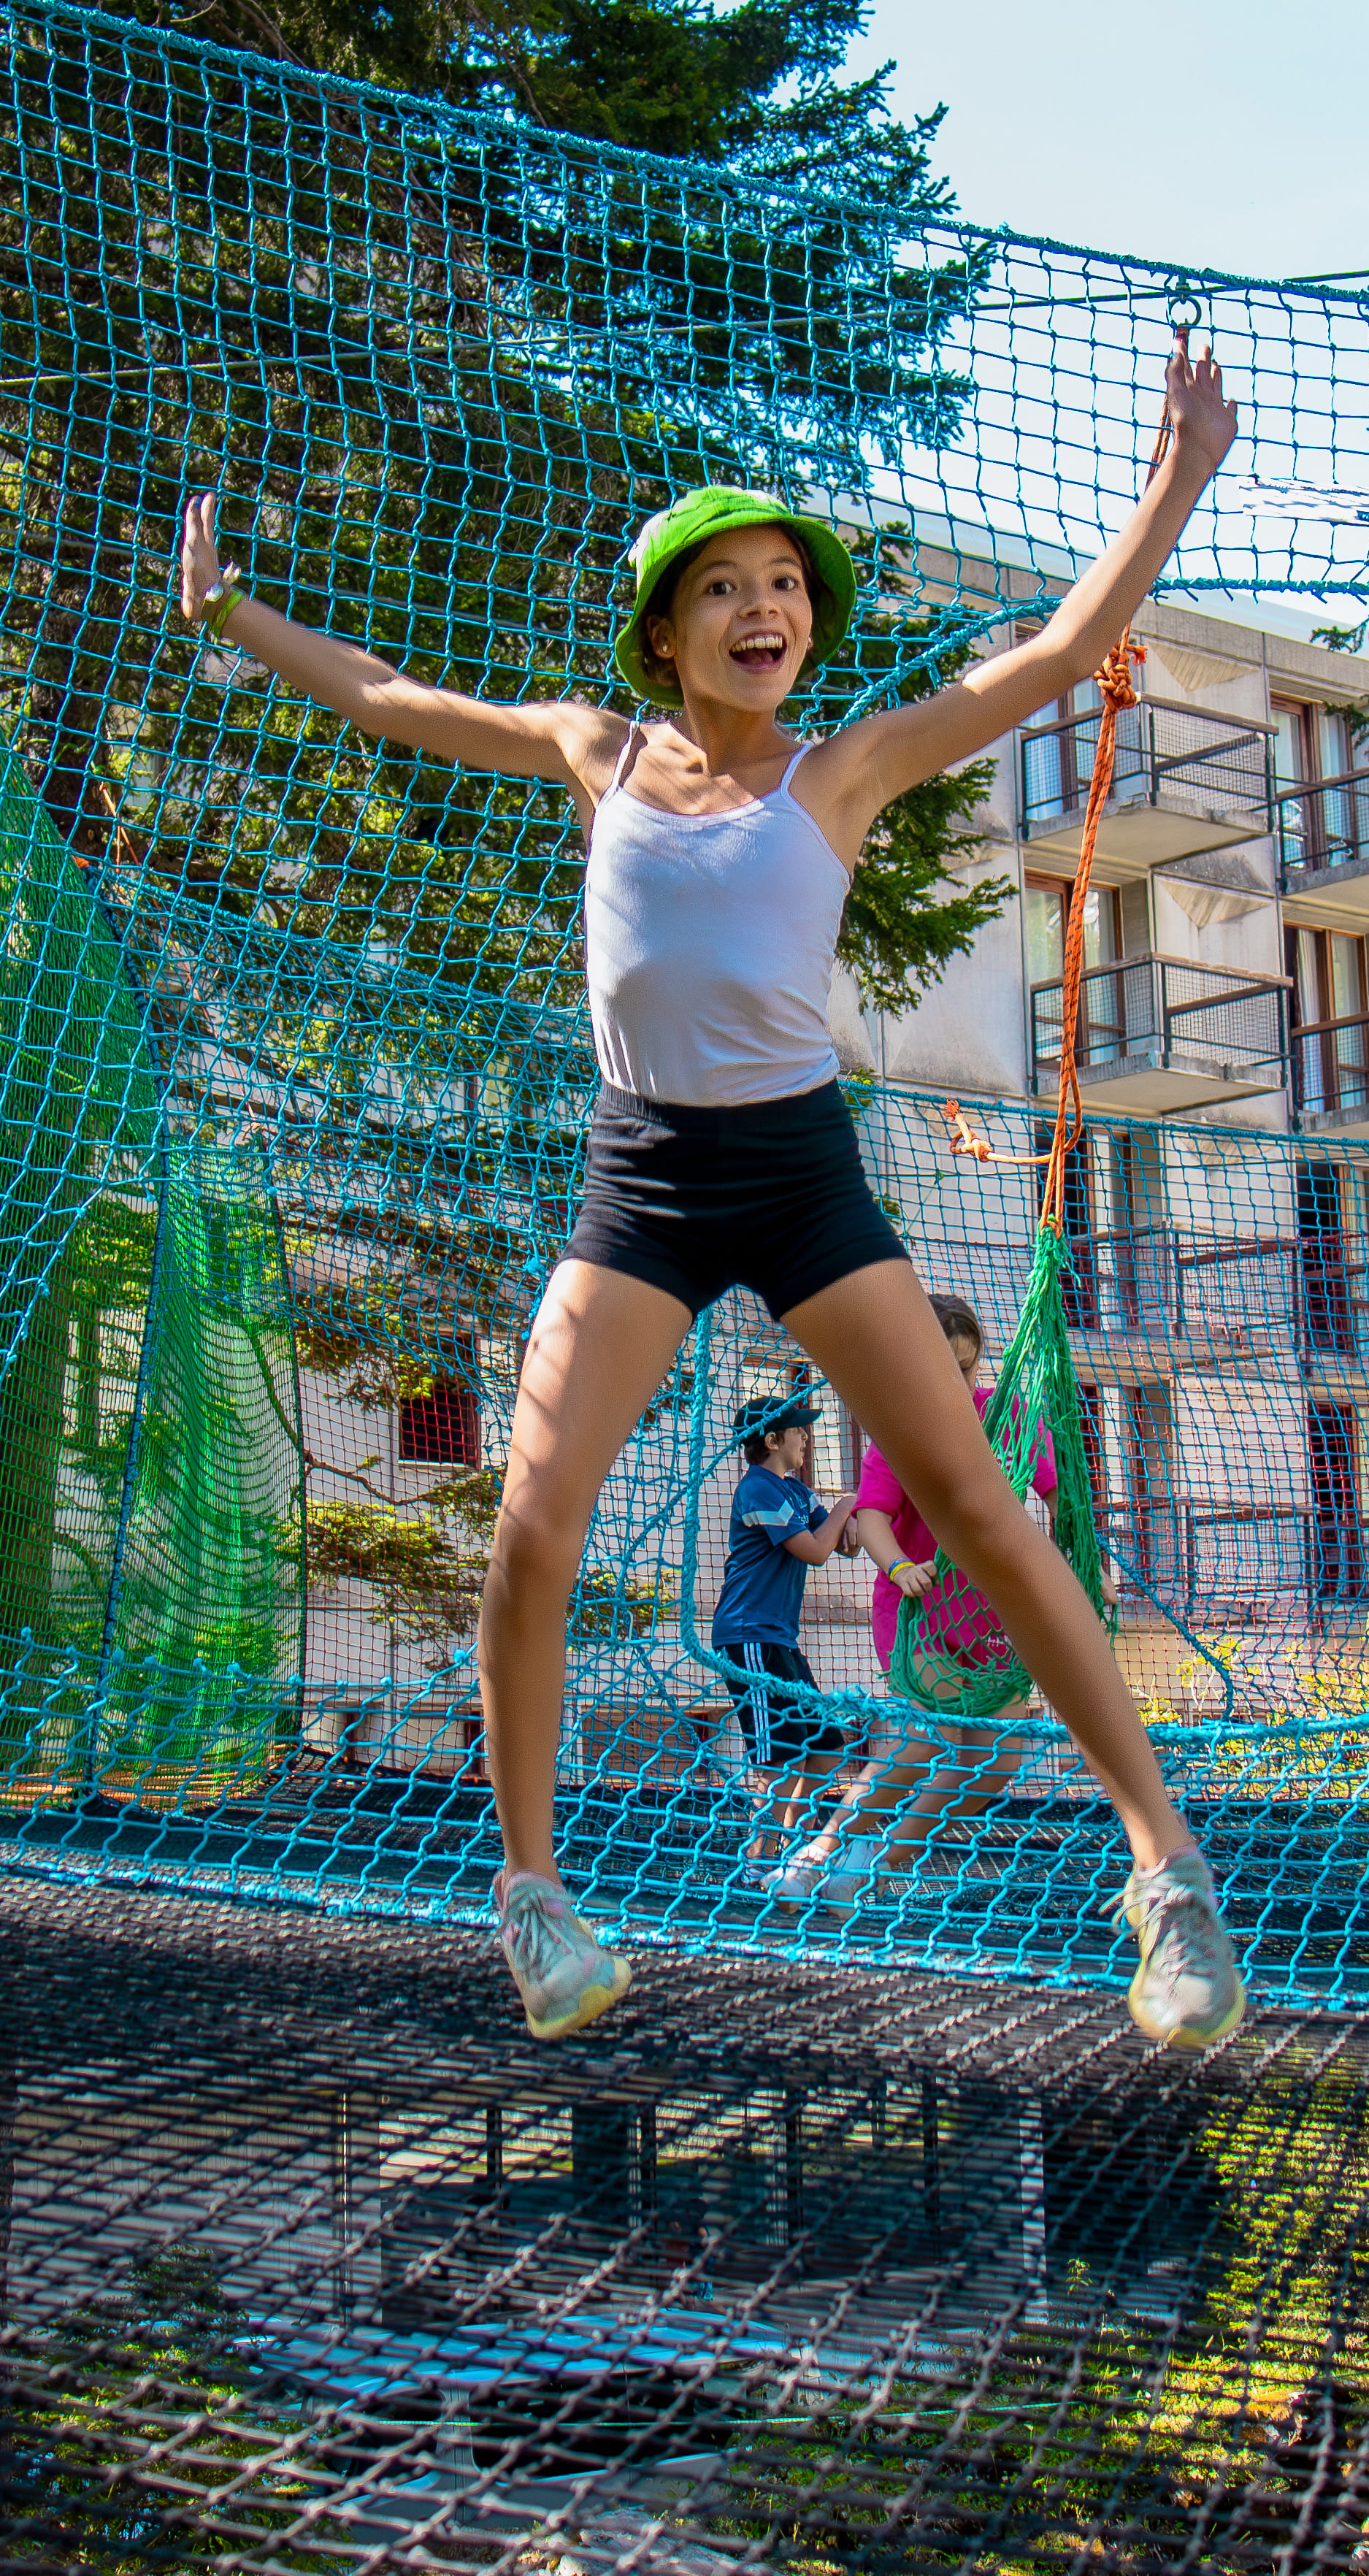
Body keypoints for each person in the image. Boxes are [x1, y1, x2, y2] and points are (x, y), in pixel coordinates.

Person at [170, 342, 1250, 2049]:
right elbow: (387, 697)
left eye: (783, 590)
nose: (766, 611)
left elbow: (1049, 653)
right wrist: (231, 618)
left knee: (976, 1502)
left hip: (799, 1169)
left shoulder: (844, 767)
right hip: (646, 1179)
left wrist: (1175, 480)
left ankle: (1164, 1873)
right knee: (531, 1519)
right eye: (725, 591)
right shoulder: (595, 751)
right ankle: (532, 1902)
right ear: (663, 634)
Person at [765, 1294, 1055, 1903]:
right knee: (924, 1736)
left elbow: (1061, 1503)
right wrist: (897, 1565)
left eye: (967, 1368)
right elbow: (872, 1519)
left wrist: (1089, 1566)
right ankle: (816, 1856)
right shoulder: (902, 1427)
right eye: (937, 1370)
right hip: (917, 1609)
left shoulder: (1011, 1419)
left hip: (988, 1615)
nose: (954, 1383)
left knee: (995, 1762)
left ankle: (870, 1865)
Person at [703, 1389, 848, 1866]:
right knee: (781, 1761)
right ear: (771, 1439)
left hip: (778, 1639)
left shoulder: (798, 1491)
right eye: (797, 1430)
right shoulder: (757, 1488)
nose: (806, 1437)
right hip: (748, 1636)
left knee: (825, 1747)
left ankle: (793, 1848)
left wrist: (871, 1508)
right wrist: (848, 1504)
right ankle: (758, 1863)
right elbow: (814, 1549)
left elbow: (842, 1544)